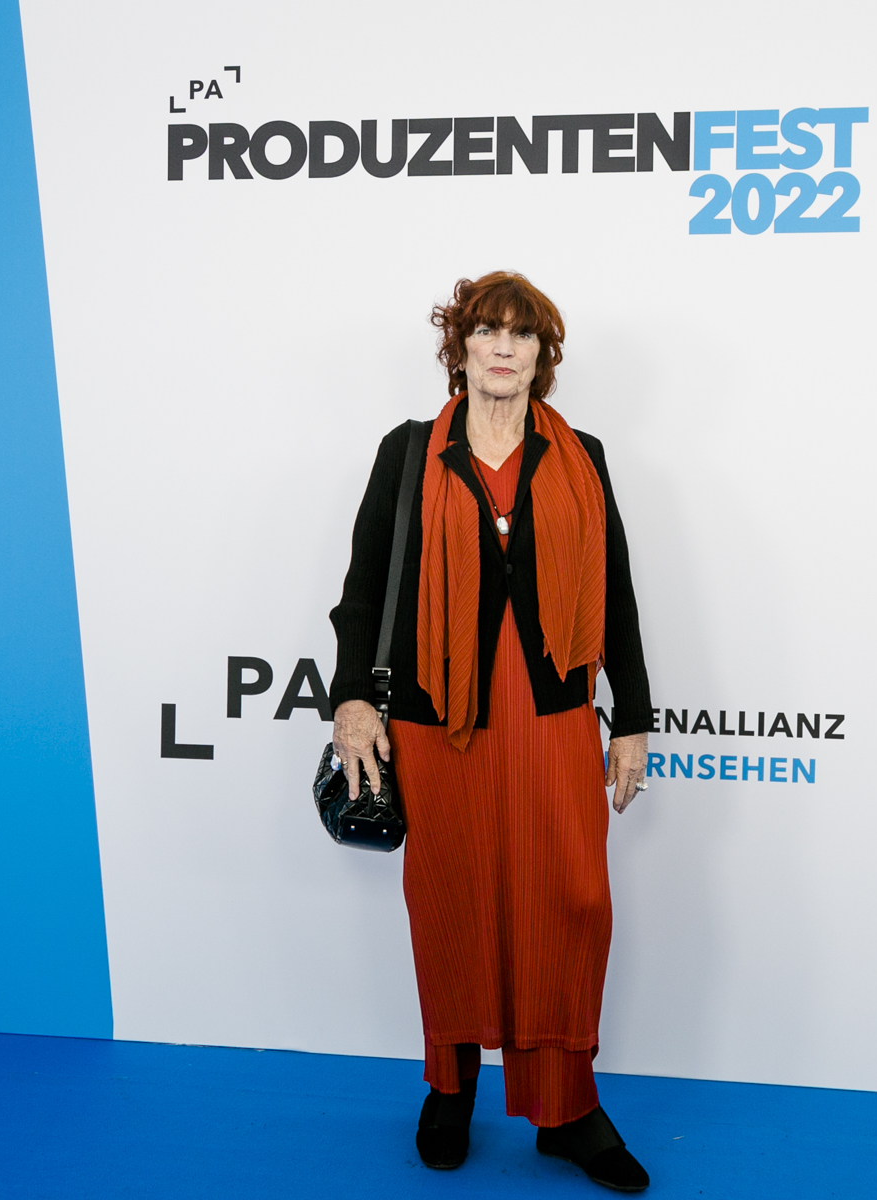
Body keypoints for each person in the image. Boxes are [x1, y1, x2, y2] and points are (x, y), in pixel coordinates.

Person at [328, 271, 654, 1191]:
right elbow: (363, 590)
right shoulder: (408, 453)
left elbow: (616, 595)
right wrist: (352, 699)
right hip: (440, 718)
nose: (503, 347)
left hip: (551, 714)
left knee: (570, 904)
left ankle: (567, 1109)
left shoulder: (581, 457)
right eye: (486, 331)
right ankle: (451, 1088)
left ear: (543, 355)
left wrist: (631, 716)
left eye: (522, 333)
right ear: (460, 348)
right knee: (454, 904)